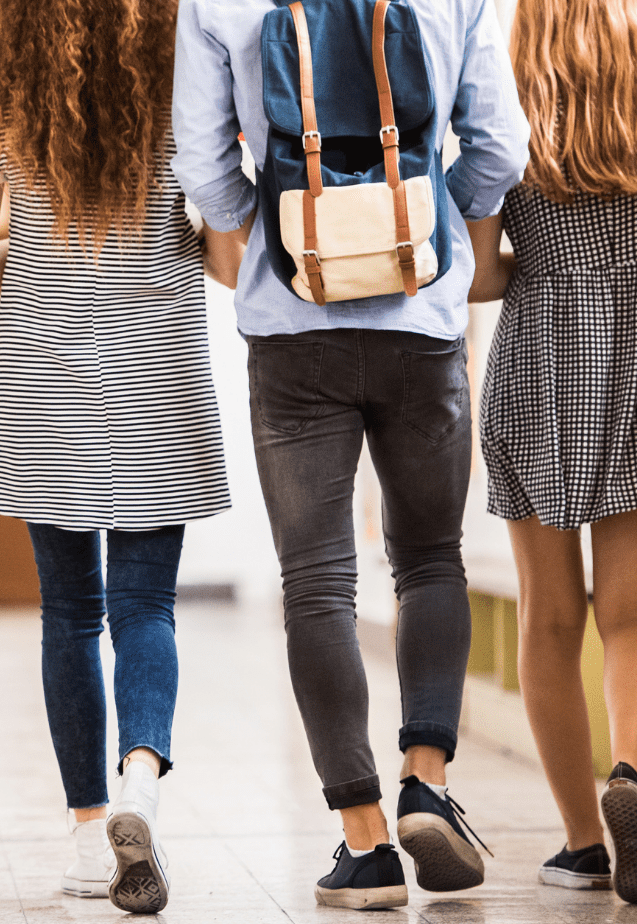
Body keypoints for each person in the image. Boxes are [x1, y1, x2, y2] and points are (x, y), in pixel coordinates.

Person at [172, 0, 528, 909]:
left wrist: (289, 229)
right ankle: (427, 780)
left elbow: (205, 172)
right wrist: (427, 218)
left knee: (318, 582)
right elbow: (501, 145)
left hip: (294, 329)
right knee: (429, 558)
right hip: (422, 319)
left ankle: (365, 844)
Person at [0, 0, 230, 913]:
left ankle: (86, 832)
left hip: (44, 378)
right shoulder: (182, 60)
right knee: (146, 605)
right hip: (159, 373)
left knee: (68, 616)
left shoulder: (3, 76)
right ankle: (142, 778)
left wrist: (30, 239)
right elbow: (226, 252)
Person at [467, 0, 637, 904]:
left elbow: (479, 271)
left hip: (539, 372)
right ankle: (631, 780)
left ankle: (584, 841)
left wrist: (544, 267)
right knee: (636, 616)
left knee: (548, 618)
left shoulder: (503, 105)